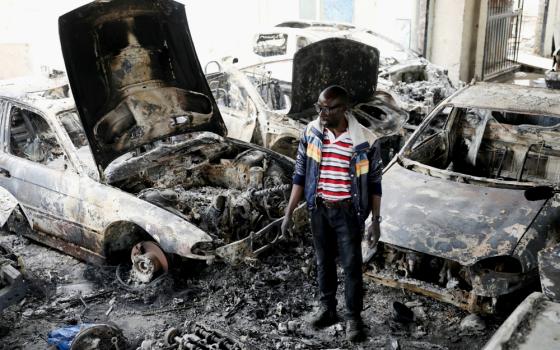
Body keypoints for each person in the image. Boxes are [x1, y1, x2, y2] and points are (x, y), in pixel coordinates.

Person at [281, 85, 382, 342]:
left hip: (348, 212)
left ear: (344, 109)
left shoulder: (365, 141)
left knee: (351, 266)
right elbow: (300, 173)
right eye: (320, 107)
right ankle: (328, 310)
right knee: (323, 261)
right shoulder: (312, 132)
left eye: (328, 108)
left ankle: (353, 318)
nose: (322, 113)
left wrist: (375, 221)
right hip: (319, 209)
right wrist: (289, 212)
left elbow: (375, 185)